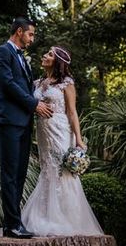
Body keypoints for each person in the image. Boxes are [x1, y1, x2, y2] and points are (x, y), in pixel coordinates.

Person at [21, 46, 103, 236]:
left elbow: (72, 112)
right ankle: (45, 216)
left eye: (49, 54)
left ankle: (67, 219)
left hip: (61, 130)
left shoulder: (66, 83)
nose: (44, 55)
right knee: (47, 170)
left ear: (57, 62)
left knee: (61, 171)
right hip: (43, 132)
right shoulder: (38, 82)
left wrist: (79, 140)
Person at [0, 17, 53, 239]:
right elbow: (7, 84)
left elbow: (26, 85)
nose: (32, 39)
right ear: (19, 31)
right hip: (9, 121)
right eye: (31, 34)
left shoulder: (22, 59)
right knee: (9, 173)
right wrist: (34, 104)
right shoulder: (2, 53)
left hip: (24, 123)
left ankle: (13, 224)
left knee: (19, 174)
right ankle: (12, 225)